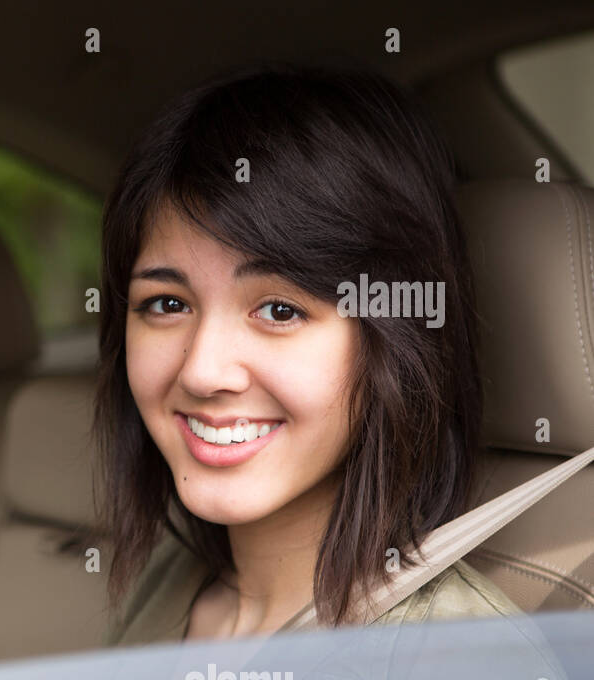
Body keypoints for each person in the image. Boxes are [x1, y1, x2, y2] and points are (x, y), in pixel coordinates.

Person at [94, 65, 541, 644]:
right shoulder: (165, 586)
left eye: (280, 311)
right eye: (166, 304)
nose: (202, 371)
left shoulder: (459, 665)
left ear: (397, 340)